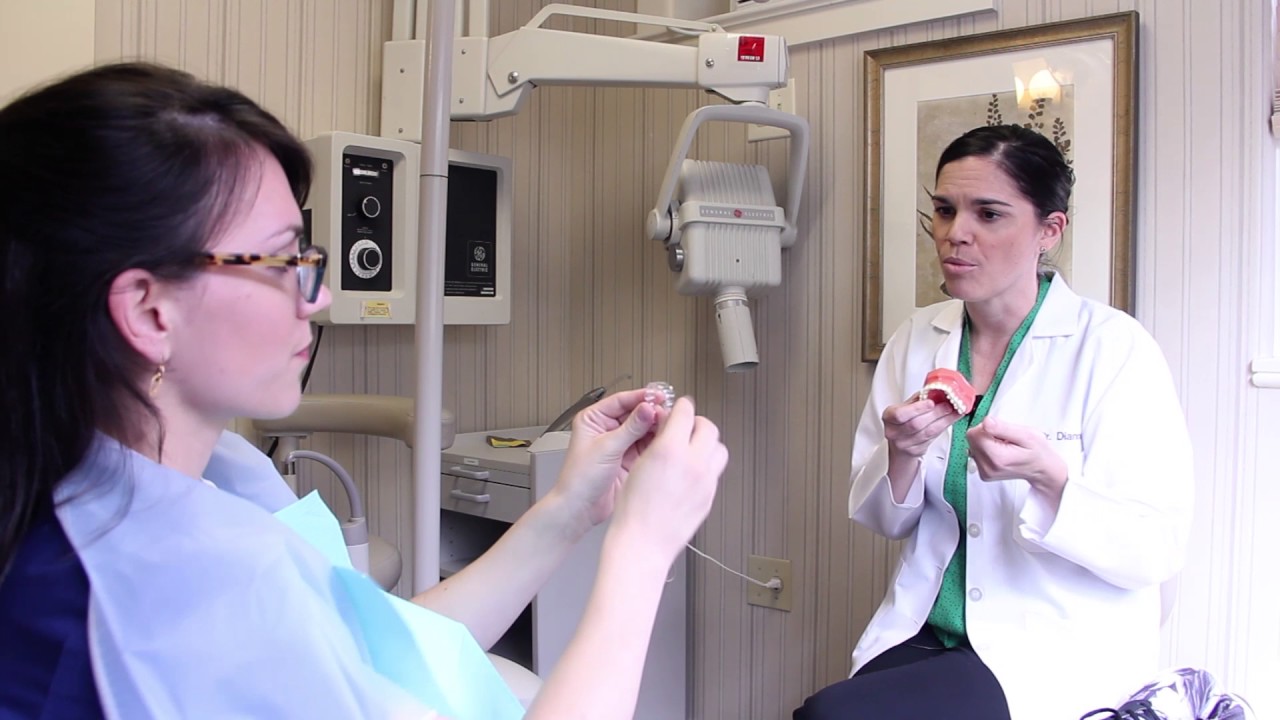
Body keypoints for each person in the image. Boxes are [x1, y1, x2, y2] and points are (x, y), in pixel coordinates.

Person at [0, 62, 728, 719]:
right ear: (148, 311)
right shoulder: (170, 596)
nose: (315, 299)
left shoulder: (204, 474)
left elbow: (376, 650)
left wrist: (573, 510)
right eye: (281, 260)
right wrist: (643, 549)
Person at [795, 125, 1194, 720]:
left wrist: (1049, 479)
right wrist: (901, 453)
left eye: (989, 214)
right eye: (945, 209)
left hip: (1051, 643)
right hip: (925, 628)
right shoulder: (918, 338)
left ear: (1048, 230)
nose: (956, 234)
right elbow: (883, 520)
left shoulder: (1113, 349)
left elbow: (1154, 550)